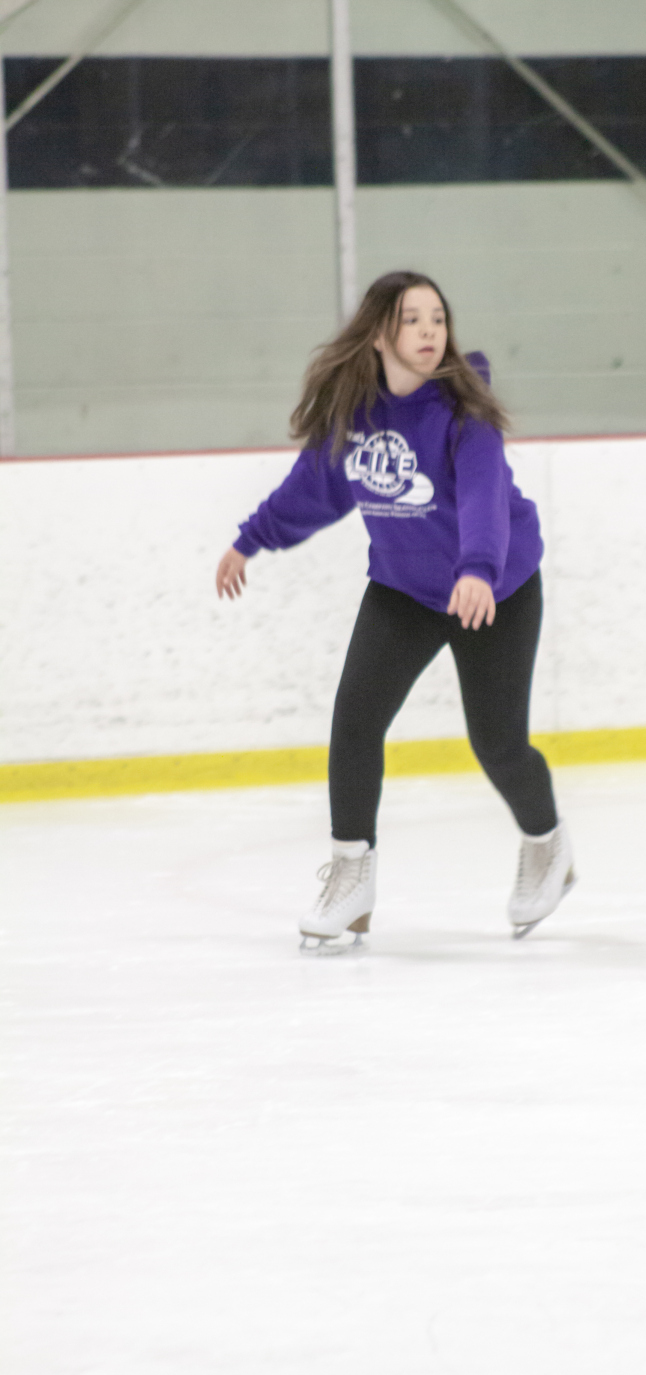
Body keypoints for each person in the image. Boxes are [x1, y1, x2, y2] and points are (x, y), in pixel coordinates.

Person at [216, 270, 574, 950]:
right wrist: (249, 540)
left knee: (497, 742)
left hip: (494, 589)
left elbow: (484, 494)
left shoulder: (464, 410)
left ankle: (546, 844)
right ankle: (351, 876)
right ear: (380, 333)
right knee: (355, 722)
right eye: (413, 319)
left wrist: (478, 569)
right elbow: (312, 489)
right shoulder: (355, 414)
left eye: (437, 318)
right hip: (405, 588)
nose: (430, 330)